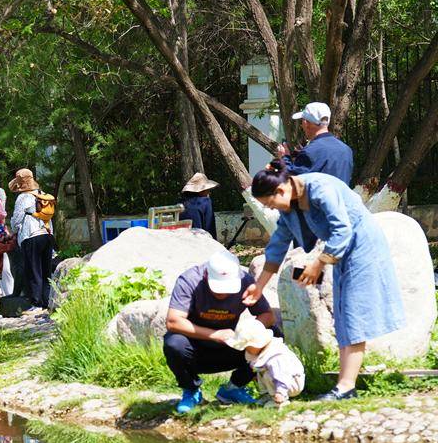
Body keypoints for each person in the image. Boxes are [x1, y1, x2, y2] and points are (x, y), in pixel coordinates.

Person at [245, 160, 405, 401]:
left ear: (280, 190)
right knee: (343, 315)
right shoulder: (290, 206)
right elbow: (278, 244)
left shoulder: (319, 189)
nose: (273, 208)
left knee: (353, 314)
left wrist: (318, 264)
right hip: (339, 253)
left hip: (361, 246)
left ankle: (345, 386)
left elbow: (342, 229)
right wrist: (258, 287)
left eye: (270, 203)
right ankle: (344, 385)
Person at [164, 250, 277, 414]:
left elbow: (267, 316)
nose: (223, 293)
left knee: (273, 335)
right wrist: (214, 335)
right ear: (206, 276)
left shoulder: (245, 281)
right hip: (195, 350)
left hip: (231, 347)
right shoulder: (189, 280)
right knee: (174, 344)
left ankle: (234, 388)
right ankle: (191, 390)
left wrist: (248, 331)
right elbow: (173, 321)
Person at [225, 319, 305, 407]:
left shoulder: (275, 356)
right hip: (284, 381)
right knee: (261, 372)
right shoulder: (263, 352)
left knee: (268, 374)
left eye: (247, 347)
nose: (245, 350)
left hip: (291, 382)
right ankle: (269, 395)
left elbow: (282, 375)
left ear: (256, 345)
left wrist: (280, 392)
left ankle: (281, 399)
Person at [9, 168, 55, 309]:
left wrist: (13, 231)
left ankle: (36, 302)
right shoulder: (41, 194)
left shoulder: (23, 197)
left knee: (34, 270)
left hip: (31, 236)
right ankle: (47, 301)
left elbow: (16, 220)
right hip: (47, 234)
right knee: (46, 270)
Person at [276, 101, 355, 185]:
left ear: (306, 123)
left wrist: (284, 158)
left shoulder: (310, 152)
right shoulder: (346, 150)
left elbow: (294, 182)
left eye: (302, 121)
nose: (301, 125)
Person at [180, 172, 218, 238]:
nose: (208, 192)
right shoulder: (205, 202)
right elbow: (210, 227)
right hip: (199, 240)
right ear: (201, 190)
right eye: (207, 190)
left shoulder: (180, 202)